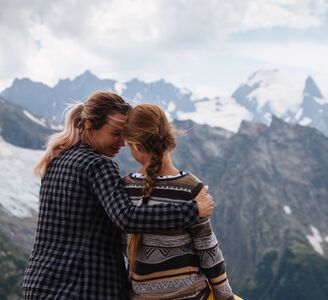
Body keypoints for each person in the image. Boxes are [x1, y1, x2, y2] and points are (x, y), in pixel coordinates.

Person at [22, 92, 214, 299]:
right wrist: (193, 210)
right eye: (115, 134)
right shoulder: (98, 164)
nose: (122, 143)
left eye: (124, 136)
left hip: (40, 283)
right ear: (89, 125)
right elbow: (127, 217)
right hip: (86, 288)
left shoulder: (57, 160)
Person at [122, 103, 235, 300]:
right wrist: (225, 295)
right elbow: (207, 249)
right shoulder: (190, 187)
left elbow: (121, 248)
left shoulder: (125, 187)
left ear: (136, 145)